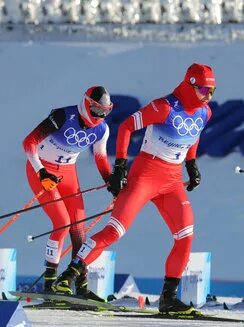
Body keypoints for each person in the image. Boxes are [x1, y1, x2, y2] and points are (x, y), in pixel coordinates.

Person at [53, 64, 215, 313]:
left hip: (172, 181)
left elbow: (195, 135)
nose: (208, 95)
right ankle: (68, 277)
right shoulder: (164, 107)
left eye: (212, 90)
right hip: (146, 175)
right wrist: (119, 166)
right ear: (190, 84)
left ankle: (168, 298)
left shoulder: (205, 112)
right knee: (114, 231)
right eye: (204, 89)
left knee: (185, 236)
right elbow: (128, 126)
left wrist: (191, 165)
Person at [22, 86, 114, 299]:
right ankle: (49, 283)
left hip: (67, 173)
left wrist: (111, 181)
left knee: (78, 227)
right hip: (41, 169)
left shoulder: (102, 129)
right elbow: (29, 142)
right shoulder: (64, 116)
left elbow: (100, 159)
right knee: (62, 222)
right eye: (97, 110)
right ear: (86, 103)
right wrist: (42, 172)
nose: (100, 116)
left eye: (105, 112)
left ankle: (79, 285)